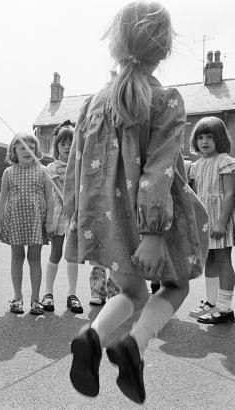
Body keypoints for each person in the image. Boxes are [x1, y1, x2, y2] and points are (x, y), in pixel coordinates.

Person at [65, 2, 209, 404]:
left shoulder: (92, 103)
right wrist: (153, 232)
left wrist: (76, 217)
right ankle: (135, 345)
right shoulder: (165, 100)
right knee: (176, 285)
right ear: (163, 50)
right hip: (146, 222)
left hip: (103, 220)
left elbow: (75, 166)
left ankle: (92, 336)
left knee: (133, 294)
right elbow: (159, 171)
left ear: (116, 43)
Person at [0, 131, 55, 315]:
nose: (27, 150)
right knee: (17, 258)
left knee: (34, 259)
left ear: (36, 150)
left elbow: (50, 198)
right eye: (22, 147)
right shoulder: (8, 172)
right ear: (14, 150)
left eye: (31, 147)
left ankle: (36, 299)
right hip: (14, 221)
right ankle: (17, 298)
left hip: (36, 222)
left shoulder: (43, 170)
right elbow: (2, 199)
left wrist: (49, 222)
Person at [188, 116, 235, 324]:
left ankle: (225, 308)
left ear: (220, 138)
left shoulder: (226, 161)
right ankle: (212, 302)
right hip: (205, 220)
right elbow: (195, 195)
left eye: (210, 137)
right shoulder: (196, 165)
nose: (204, 141)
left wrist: (222, 222)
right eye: (200, 137)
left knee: (224, 259)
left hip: (220, 219)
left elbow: (230, 194)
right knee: (210, 260)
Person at [42, 120, 83, 314]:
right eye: (63, 143)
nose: (67, 147)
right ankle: (48, 293)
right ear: (57, 147)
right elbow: (59, 190)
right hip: (59, 214)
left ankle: (72, 294)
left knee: (72, 255)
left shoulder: (81, 166)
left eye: (71, 143)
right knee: (56, 253)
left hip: (75, 214)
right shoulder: (51, 167)